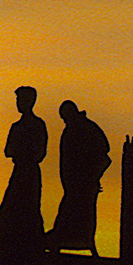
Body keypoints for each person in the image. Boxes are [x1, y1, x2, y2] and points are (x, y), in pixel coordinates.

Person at [0, 86, 48, 258]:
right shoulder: (20, 126)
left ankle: (30, 245)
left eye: (21, 100)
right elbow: (8, 150)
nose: (18, 103)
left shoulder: (35, 125)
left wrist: (23, 153)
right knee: (15, 206)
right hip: (21, 170)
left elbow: (39, 152)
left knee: (28, 207)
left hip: (27, 172)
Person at [47, 100, 111, 255]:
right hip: (73, 185)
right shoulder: (72, 130)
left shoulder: (87, 129)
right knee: (70, 215)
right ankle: (60, 241)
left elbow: (104, 156)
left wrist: (93, 176)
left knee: (81, 217)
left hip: (83, 185)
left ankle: (72, 241)